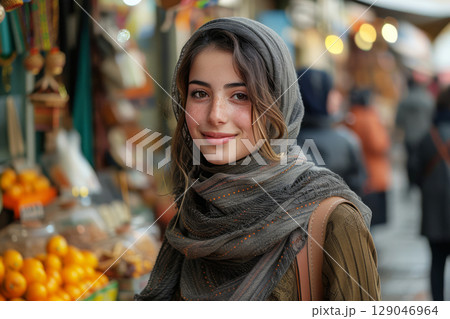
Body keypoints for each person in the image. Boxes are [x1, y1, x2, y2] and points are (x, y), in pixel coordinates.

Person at [136, 17, 380, 301]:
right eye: (200, 93)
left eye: (240, 95)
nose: (215, 115)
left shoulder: (332, 221)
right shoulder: (194, 211)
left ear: (278, 102)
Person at [296, 68, 367, 196]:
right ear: (318, 95)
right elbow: (357, 189)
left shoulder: (280, 140)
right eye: (332, 91)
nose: (338, 97)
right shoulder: (345, 141)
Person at [410, 86, 450, 301]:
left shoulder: (428, 137)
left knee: (436, 262)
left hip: (434, 212)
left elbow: (414, 171)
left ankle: (438, 307)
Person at [345, 88, 391, 226]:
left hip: (359, 173)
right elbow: (379, 145)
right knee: (372, 216)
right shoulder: (368, 118)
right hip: (373, 172)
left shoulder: (350, 116)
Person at [396, 72, 434, 189]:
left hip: (410, 136)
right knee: (422, 160)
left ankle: (411, 182)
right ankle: (421, 181)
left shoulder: (405, 99)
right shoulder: (428, 98)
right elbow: (433, 117)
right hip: (424, 136)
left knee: (410, 160)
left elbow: (399, 120)